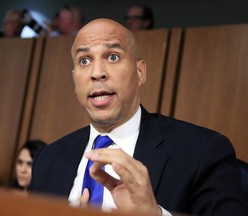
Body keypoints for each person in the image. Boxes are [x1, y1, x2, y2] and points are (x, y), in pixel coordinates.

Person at [29, 18, 248, 215]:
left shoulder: (202, 151)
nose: (97, 73)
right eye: (84, 61)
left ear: (140, 72)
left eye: (113, 56)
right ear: (75, 78)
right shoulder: (48, 160)